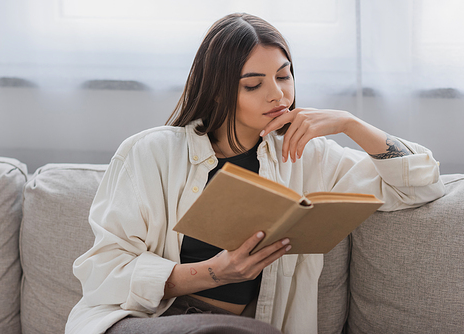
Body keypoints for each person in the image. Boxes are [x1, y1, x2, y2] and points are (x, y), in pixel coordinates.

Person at [65, 13, 445, 334]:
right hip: (145, 322)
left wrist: (351, 124)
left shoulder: (306, 157)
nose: (278, 95)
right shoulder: (150, 153)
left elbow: (421, 184)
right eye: (254, 84)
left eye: (284, 76)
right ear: (217, 91)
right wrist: (213, 273)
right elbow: (101, 272)